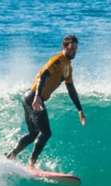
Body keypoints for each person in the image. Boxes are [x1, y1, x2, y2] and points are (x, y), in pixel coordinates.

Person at [6, 35, 86, 167]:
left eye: (76, 49)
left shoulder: (68, 68)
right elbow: (43, 76)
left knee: (34, 134)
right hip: (33, 97)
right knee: (46, 133)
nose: (74, 51)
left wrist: (79, 109)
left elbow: (71, 89)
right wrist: (37, 97)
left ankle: (11, 156)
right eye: (71, 48)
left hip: (30, 97)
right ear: (64, 47)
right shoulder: (57, 61)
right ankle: (31, 163)